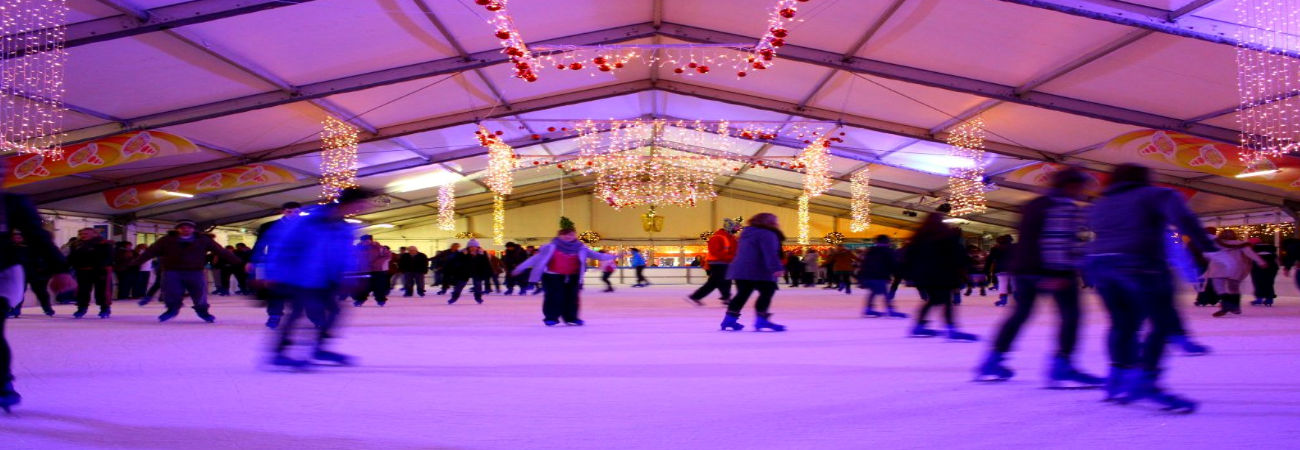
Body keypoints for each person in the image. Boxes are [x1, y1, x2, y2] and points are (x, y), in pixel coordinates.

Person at [1084, 163, 1214, 413]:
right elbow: (1184, 219)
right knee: (1161, 322)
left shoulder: (1099, 204)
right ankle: (1146, 382)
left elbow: (1093, 231)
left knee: (1122, 324)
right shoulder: (1158, 194)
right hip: (1140, 262)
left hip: (1100, 265)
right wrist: (1209, 247)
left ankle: (1118, 378)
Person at [977, 168, 1103, 386]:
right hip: (1051, 270)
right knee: (1071, 315)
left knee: (1021, 314)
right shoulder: (1064, 206)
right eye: (1081, 186)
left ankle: (993, 360)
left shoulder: (1032, 205)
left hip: (1024, 270)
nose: (1083, 191)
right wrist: (1058, 273)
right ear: (1070, 185)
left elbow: (1030, 240)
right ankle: (1062, 365)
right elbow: (1058, 241)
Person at [260, 187, 371, 368]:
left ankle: (319, 348)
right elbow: (283, 247)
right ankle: (278, 353)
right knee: (297, 313)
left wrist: (349, 276)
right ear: (350, 202)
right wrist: (273, 273)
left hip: (327, 277)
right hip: (300, 275)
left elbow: (347, 254)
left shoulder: (345, 227)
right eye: (361, 203)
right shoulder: (310, 221)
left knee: (335, 311)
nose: (363, 208)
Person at [1, 190, 76, 412]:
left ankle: (2, 381)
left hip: (3, 270)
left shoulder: (11, 203)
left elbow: (37, 235)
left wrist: (60, 270)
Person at [133, 220, 241, 323]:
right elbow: (150, 252)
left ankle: (202, 311)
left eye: (189, 227)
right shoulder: (166, 240)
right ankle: (172, 309)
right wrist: (134, 263)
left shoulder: (203, 240)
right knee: (171, 292)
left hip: (195, 271)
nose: (185, 229)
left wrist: (240, 263)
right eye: (182, 227)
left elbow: (222, 252)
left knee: (199, 293)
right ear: (177, 229)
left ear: (193, 229)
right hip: (172, 271)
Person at [512, 229, 618, 326]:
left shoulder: (581, 247)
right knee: (554, 297)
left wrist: (614, 256)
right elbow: (535, 259)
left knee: (572, 298)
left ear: (575, 235)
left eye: (571, 234)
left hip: (572, 277)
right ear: (559, 236)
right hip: (552, 277)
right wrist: (521, 268)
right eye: (565, 235)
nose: (568, 237)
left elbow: (597, 256)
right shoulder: (550, 247)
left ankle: (571, 318)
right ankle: (551, 317)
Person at [903, 204, 976, 341]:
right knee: (944, 300)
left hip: (926, 277)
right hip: (942, 275)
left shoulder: (919, 238)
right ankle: (950, 328)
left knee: (935, 300)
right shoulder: (944, 236)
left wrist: (911, 275)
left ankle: (920, 326)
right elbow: (956, 255)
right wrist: (964, 272)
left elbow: (908, 257)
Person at [718, 213, 786, 332]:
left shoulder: (747, 233)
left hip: (741, 269)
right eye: (775, 221)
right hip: (759, 269)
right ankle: (761, 320)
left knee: (742, 294)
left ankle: (729, 319)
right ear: (767, 222)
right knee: (767, 291)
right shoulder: (767, 234)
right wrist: (776, 268)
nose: (777, 223)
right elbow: (770, 253)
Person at [248, 201, 301, 328]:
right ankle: (274, 315)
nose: (293, 214)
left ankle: (303, 316)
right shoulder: (269, 226)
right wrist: (253, 261)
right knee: (275, 290)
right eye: (289, 211)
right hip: (276, 264)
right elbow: (260, 245)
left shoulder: (306, 226)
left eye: (297, 212)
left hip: (299, 265)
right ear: (282, 211)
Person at [1204, 230, 1265, 317]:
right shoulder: (1241, 244)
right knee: (1233, 288)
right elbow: (1250, 253)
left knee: (1219, 288)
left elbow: (1207, 254)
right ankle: (1235, 307)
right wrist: (1260, 262)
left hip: (1218, 267)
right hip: (1234, 267)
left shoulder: (1215, 243)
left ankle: (1227, 306)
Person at [687, 219, 739, 306]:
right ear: (729, 227)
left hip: (726, 262)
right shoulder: (718, 237)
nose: (737, 230)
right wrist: (731, 258)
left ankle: (697, 296)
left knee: (716, 281)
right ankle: (725, 297)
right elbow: (715, 252)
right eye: (735, 228)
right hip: (718, 263)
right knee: (721, 280)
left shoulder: (731, 238)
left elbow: (735, 250)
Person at [68, 227, 114, 319]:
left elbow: (108, 257)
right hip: (83, 271)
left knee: (102, 290)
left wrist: (101, 267)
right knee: (83, 290)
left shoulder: (104, 243)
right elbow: (72, 258)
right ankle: (81, 308)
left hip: (100, 270)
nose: (83, 236)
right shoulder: (76, 245)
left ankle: (104, 308)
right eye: (81, 234)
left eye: (86, 234)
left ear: (94, 234)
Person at [9, 232, 57, 317]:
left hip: (34, 273)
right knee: (18, 292)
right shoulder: (10, 247)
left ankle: (47, 308)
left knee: (40, 292)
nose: (17, 239)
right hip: (19, 273)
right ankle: (15, 309)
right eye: (15, 237)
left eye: (19, 237)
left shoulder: (31, 247)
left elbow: (39, 258)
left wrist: (41, 269)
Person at [858, 235, 906, 318]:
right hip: (879, 275)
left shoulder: (871, 251)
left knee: (874, 291)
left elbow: (864, 263)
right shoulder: (888, 251)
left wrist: (861, 276)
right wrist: (897, 273)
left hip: (868, 275)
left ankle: (868, 308)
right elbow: (893, 263)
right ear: (887, 242)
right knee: (884, 292)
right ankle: (890, 309)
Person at [448, 239, 492, 304]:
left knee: (478, 285)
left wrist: (488, 272)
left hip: (477, 271)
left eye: (475, 246)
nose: (473, 248)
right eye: (471, 246)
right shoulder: (462, 252)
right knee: (460, 285)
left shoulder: (482, 253)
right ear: (468, 247)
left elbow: (486, 263)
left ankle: (478, 298)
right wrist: (463, 255)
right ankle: (454, 298)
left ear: (477, 247)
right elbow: (455, 260)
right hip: (464, 271)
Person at [352, 235, 392, 307]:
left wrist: (378, 263)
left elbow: (388, 255)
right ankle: (360, 300)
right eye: (364, 241)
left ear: (371, 240)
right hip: (363, 270)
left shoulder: (379, 247)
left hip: (377, 270)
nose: (365, 242)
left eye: (367, 240)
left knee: (379, 286)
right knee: (363, 286)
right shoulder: (358, 248)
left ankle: (381, 300)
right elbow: (353, 257)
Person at [985, 235, 1015, 306]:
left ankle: (1003, 300)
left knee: (1002, 284)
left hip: (1001, 268)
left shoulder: (995, 248)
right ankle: (1017, 298)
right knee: (1014, 283)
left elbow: (990, 259)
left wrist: (986, 269)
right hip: (1013, 268)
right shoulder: (1015, 247)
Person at [1250, 238, 1280, 307]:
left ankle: (1259, 299)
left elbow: (1251, 257)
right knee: (1269, 282)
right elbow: (1276, 258)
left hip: (1258, 266)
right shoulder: (1271, 247)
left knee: (1258, 282)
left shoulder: (1254, 248)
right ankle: (1269, 299)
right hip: (1272, 267)